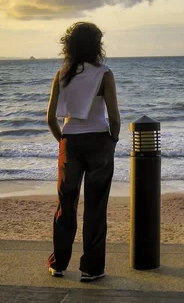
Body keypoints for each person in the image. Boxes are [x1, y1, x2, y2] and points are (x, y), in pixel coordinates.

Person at [45, 22, 120, 282]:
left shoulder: (62, 75)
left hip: (71, 143)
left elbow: (50, 118)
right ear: (97, 45)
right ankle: (91, 268)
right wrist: (113, 140)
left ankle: (59, 264)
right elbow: (114, 117)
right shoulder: (105, 74)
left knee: (66, 204)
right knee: (96, 207)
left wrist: (62, 142)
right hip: (100, 141)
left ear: (70, 45)